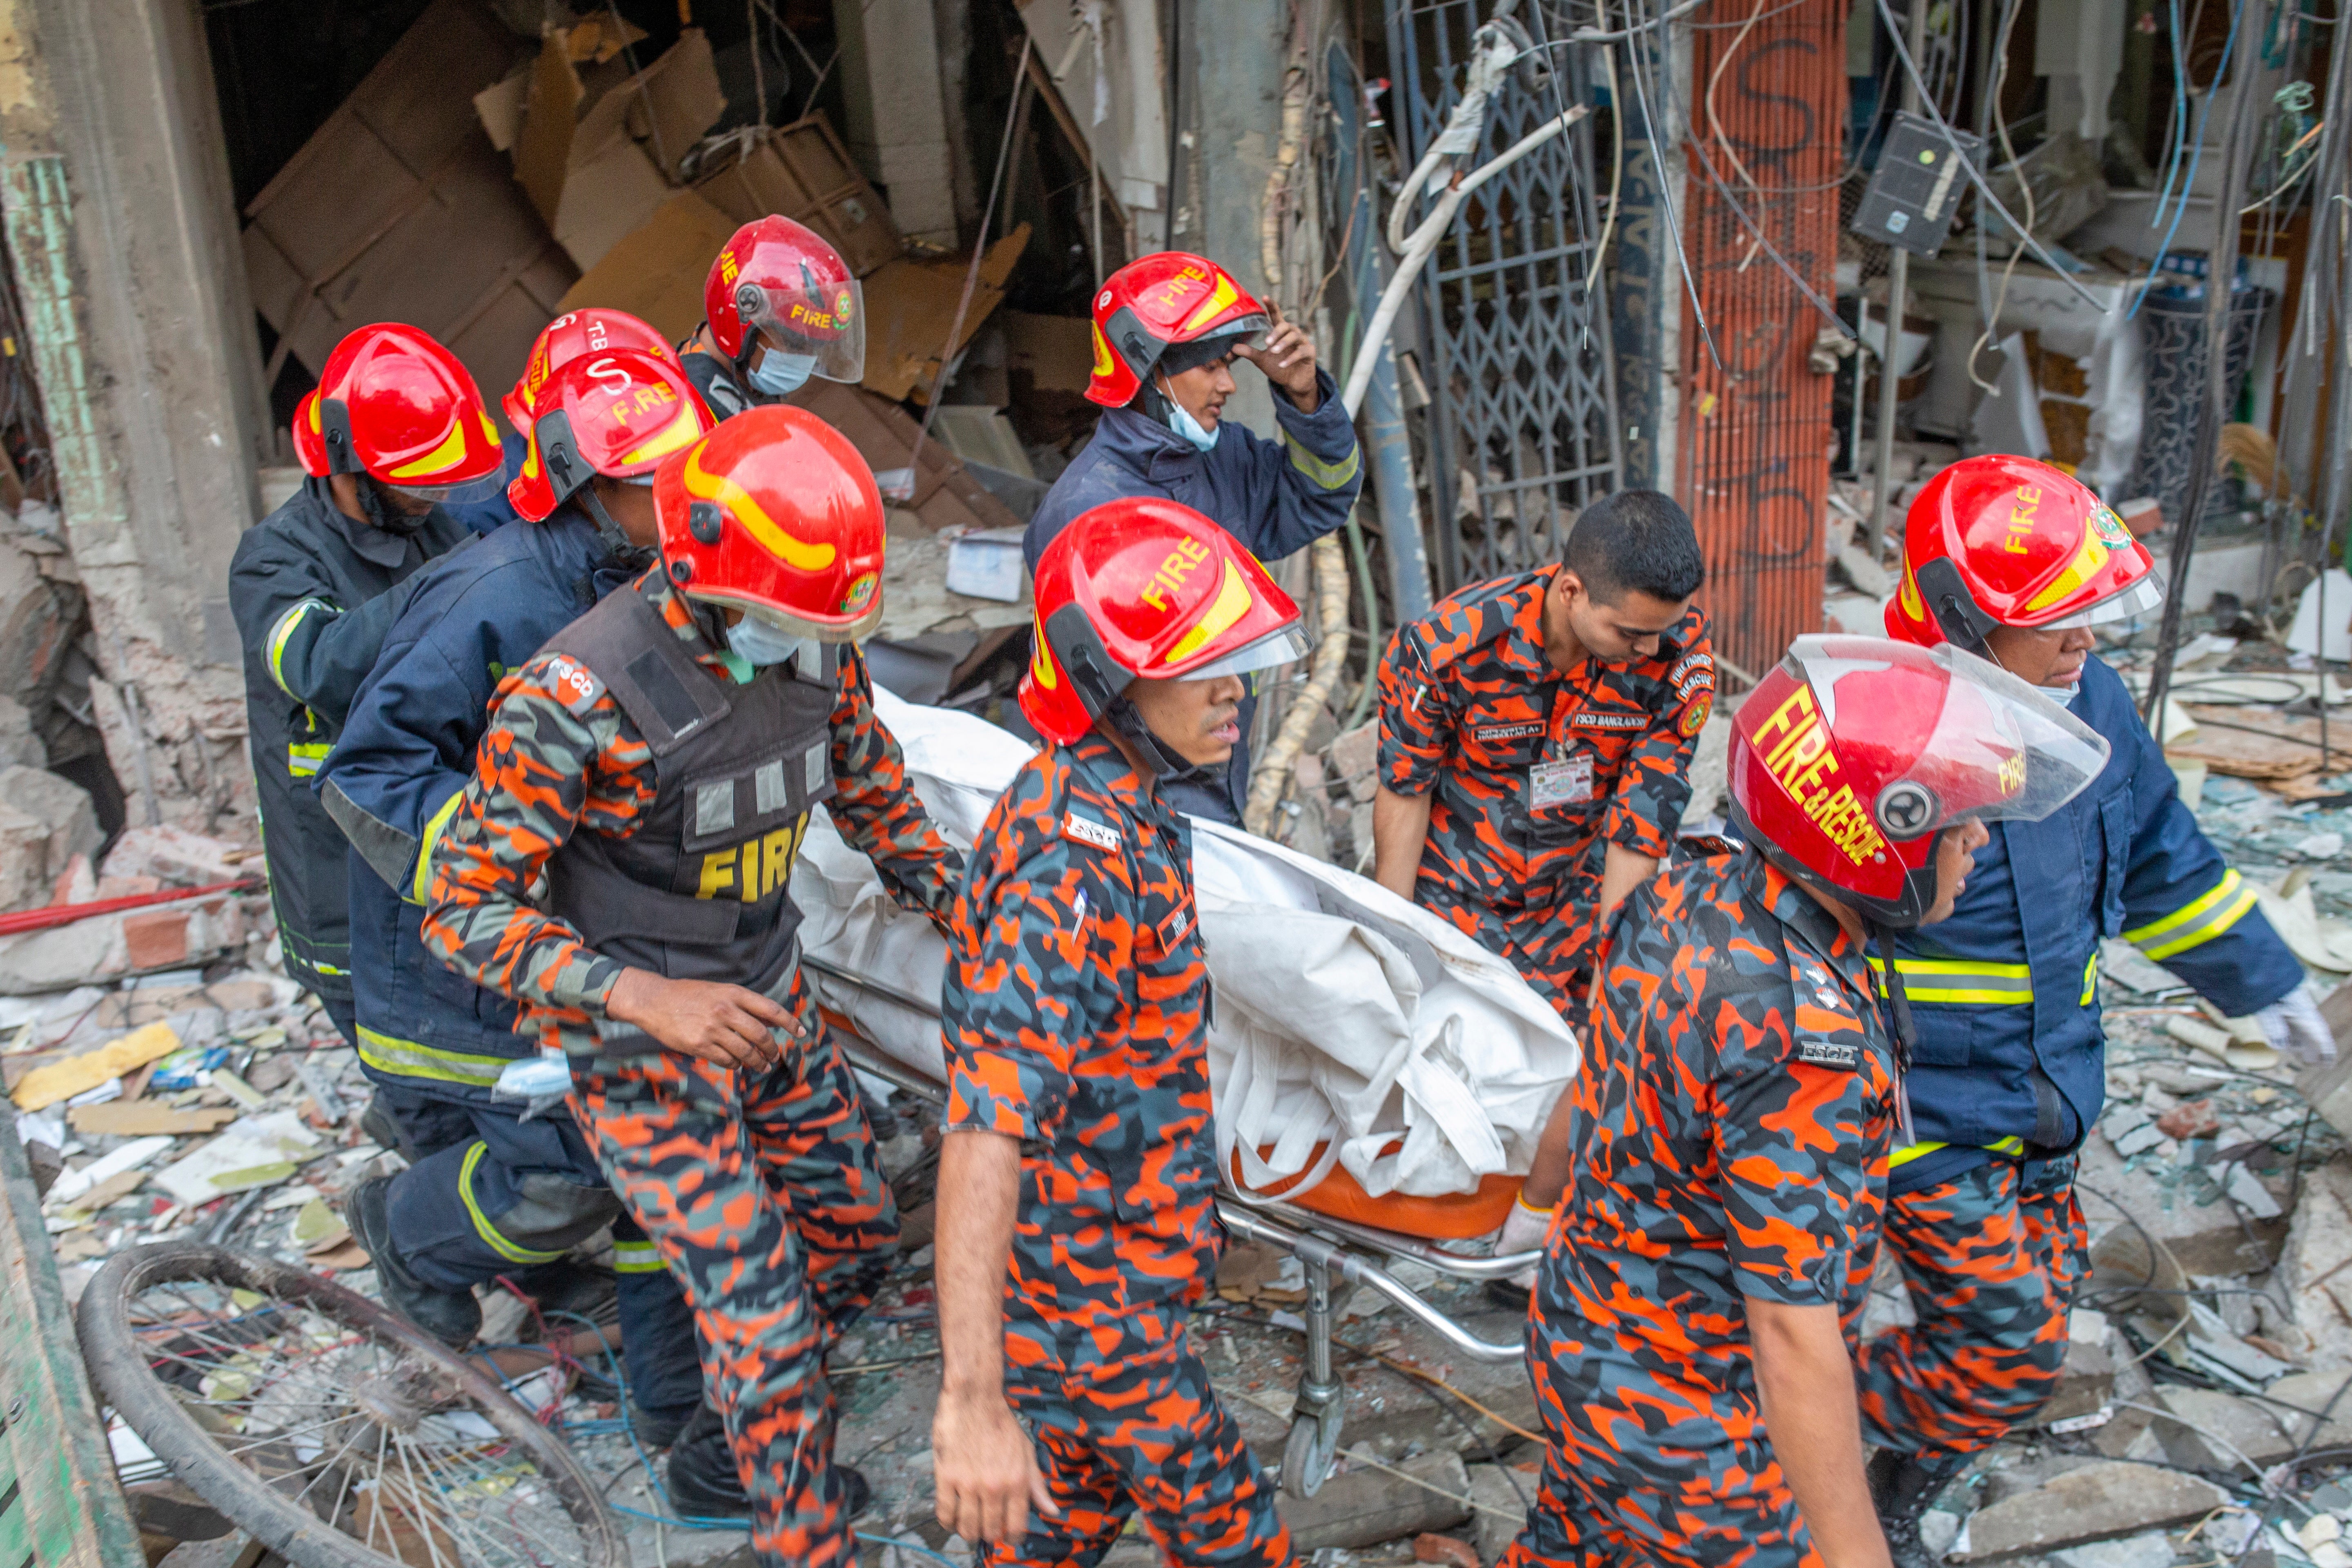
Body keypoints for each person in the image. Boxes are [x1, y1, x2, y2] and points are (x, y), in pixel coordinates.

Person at [421, 404, 963, 1566]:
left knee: (858, 1238)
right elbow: (460, 911)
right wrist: (639, 1001)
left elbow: (875, 796)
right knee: (759, 1313)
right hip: (636, 1041)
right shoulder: (573, 703)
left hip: (768, 1001)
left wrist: (966, 904)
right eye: (780, 616)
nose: (808, 638)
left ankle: (734, 1447)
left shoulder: (816, 649)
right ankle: (800, 1535)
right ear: (701, 574)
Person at [1501, 633, 2110, 1568]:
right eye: (1954, 823)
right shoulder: (1799, 1031)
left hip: (1580, 1329)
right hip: (1685, 1416)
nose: (1977, 843)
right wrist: (1853, 1549)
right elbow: (1789, 1329)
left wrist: (1533, 1210)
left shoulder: (1689, 884)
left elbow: (1587, 1083)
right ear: (1879, 838)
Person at [1860, 454, 2329, 1556]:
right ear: (1969, 619)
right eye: (2063, 620)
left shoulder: (2092, 700)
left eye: (2096, 615)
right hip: (1916, 1112)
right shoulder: (1871, 728)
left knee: (2029, 1322)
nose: (2089, 642)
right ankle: (1767, 1418)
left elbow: (2163, 856)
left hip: (2051, 1101)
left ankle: (1888, 1472)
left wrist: (2264, 977)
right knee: (2008, 1350)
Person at [319, 345, 719, 1478]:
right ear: (595, 486)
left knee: (657, 1154)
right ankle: (405, 1233)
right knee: (565, 1171)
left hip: (591, 933)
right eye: (663, 479)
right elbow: (371, 772)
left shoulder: (638, 575)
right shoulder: (501, 596)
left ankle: (670, 1408)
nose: (687, 497)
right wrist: (520, 849)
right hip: (460, 952)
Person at [932, 496, 1310, 1568]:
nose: (1235, 688)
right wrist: (970, 1402)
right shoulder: (1071, 865)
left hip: (1113, 1283)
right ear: (1110, 679)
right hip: (1094, 1312)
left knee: (1054, 1529)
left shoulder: (1130, 808)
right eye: (1203, 664)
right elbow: (982, 1131)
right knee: (1243, 1544)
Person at [229, 323, 500, 1042]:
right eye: (419, 485)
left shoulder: (434, 529)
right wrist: (456, 585)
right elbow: (316, 664)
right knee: (403, 1066)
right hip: (335, 868)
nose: (436, 499)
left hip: (430, 845)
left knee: (460, 1045)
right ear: (350, 469)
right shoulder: (273, 559)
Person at [1022, 252, 1362, 824]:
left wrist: (1305, 397)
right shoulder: (1086, 514)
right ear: (1148, 367)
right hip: (1149, 802)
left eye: (1231, 363)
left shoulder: (1216, 455)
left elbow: (1319, 496)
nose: (1229, 384)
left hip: (1216, 770)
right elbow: (1092, 699)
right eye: (1210, 367)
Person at [1372, 490, 1712, 1016]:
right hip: (1459, 906)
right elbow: (1404, 792)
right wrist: (1391, 944)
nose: (1648, 650)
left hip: (1579, 903)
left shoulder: (1676, 654)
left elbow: (1642, 824)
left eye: (1662, 631)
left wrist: (1611, 978)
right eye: (1631, 633)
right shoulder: (1449, 649)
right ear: (1572, 591)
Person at [676, 216, 866, 418]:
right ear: (743, 315)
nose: (805, 360)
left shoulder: (745, 389)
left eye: (815, 348)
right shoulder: (691, 407)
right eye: (797, 343)